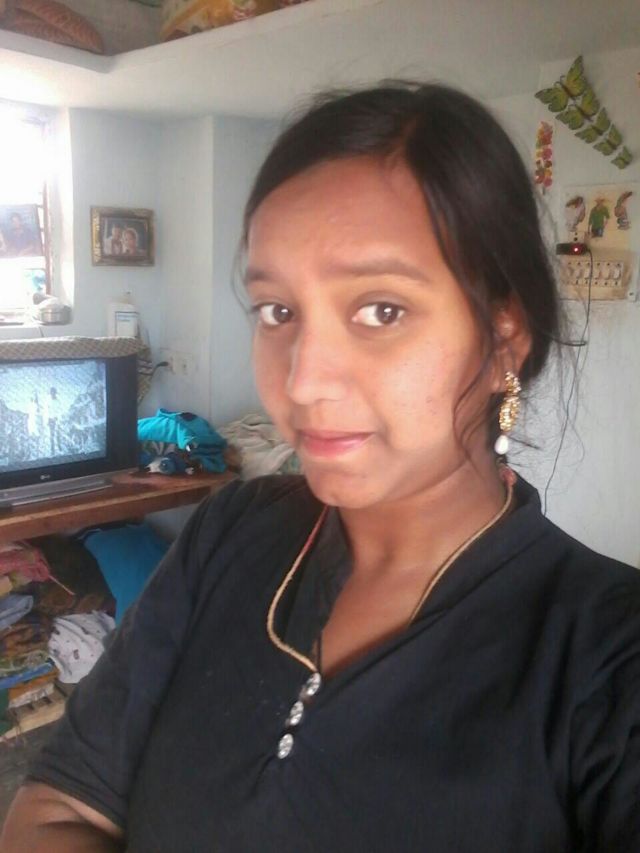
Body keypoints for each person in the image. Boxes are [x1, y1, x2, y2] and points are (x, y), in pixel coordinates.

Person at [3, 83, 640, 852]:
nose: (301, 382)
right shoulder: (232, 529)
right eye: (278, 311)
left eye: (381, 310)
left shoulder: (607, 655)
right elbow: (56, 806)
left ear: (504, 337)